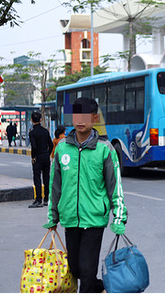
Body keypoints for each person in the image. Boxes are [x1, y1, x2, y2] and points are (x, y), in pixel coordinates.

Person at [44, 97, 127, 293]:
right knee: (74, 268)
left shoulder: (104, 149)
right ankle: (102, 288)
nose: (80, 120)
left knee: (87, 270)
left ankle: (93, 287)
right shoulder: (62, 147)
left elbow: (115, 186)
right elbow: (55, 185)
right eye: (76, 115)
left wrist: (119, 216)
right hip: (70, 218)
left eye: (85, 116)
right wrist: (52, 215)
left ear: (95, 117)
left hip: (95, 219)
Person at [28, 112, 54, 208]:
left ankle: (38, 199)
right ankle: (46, 199)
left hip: (38, 157)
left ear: (31, 120)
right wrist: (48, 153)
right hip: (46, 156)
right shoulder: (45, 131)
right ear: (40, 120)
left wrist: (33, 157)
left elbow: (34, 146)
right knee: (46, 178)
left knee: (37, 178)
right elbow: (50, 145)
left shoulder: (32, 133)